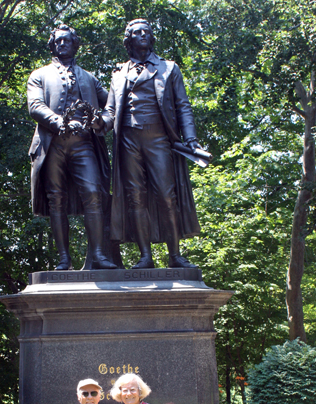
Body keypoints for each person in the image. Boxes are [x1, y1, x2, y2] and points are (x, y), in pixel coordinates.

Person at [101, 19, 202, 269]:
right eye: (137, 32)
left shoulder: (169, 68)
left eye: (147, 31)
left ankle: (175, 255)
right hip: (127, 140)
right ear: (129, 40)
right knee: (135, 198)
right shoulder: (118, 74)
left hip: (158, 138)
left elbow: (183, 107)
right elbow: (110, 112)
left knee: (167, 196)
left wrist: (190, 138)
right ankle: (145, 256)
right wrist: (97, 121)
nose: (143, 34)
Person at [27, 24, 117, 271]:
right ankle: (64, 259)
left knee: (93, 193)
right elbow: (35, 105)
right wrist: (60, 121)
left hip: (84, 145)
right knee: (56, 199)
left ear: (75, 44)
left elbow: (111, 105)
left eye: (67, 40)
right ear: (52, 45)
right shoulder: (40, 75)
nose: (62, 44)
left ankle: (98, 255)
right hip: (52, 144)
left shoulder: (89, 77)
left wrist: (102, 121)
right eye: (58, 41)